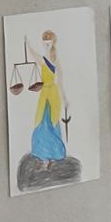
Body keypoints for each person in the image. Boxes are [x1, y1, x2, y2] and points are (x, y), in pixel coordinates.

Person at [28, 32, 66, 169]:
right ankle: (43, 156)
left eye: (48, 44)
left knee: (50, 125)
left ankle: (50, 157)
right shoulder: (44, 59)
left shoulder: (53, 61)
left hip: (52, 95)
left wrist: (65, 98)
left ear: (53, 43)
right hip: (44, 95)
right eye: (44, 44)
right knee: (40, 124)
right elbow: (35, 56)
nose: (46, 46)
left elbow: (60, 81)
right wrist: (28, 44)